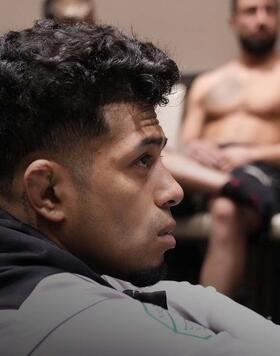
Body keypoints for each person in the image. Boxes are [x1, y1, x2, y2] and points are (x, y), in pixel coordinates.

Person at [0, 19, 279, 356]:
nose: (173, 190)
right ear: (49, 192)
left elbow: (171, 296)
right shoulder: (78, 328)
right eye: (142, 161)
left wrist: (200, 299)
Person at [177, 0, 280, 297]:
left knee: (226, 209)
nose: (261, 19)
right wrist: (195, 148)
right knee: (147, 160)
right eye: (251, 11)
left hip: (259, 169)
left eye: (269, 10)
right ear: (234, 21)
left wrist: (249, 154)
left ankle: (205, 327)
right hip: (201, 172)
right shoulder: (209, 83)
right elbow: (187, 141)